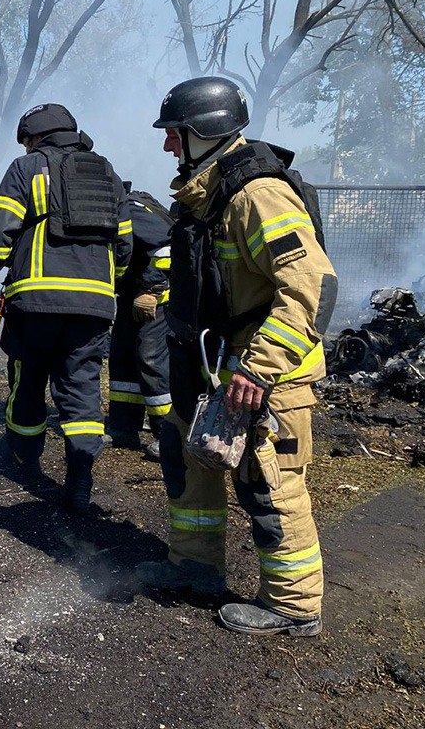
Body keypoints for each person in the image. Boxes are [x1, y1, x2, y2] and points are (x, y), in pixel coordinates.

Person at [136, 76, 338, 636]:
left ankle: (294, 606)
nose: (167, 145)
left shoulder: (257, 195)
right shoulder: (208, 195)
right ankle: (195, 567)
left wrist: (260, 367)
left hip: (264, 371)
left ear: (205, 131)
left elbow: (311, 285)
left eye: (174, 133)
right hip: (212, 365)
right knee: (189, 461)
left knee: (269, 481)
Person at [0, 103, 132, 514]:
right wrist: (105, 286)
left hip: (35, 301)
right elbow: (125, 243)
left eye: (27, 141)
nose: (26, 148)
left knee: (28, 379)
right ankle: (80, 474)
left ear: (36, 136)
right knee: (82, 389)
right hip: (94, 306)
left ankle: (25, 460)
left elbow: (1, 225)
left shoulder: (27, 168)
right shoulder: (107, 173)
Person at [105, 182, 173, 459]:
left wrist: (151, 290)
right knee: (123, 355)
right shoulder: (116, 208)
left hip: (158, 298)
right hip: (131, 295)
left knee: (151, 358)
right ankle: (123, 427)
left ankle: (168, 435)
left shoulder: (131, 210)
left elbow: (168, 248)